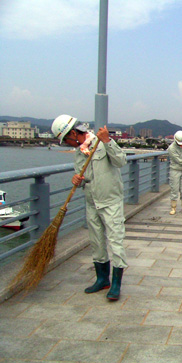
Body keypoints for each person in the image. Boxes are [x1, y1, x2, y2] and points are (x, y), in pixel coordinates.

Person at [51, 114, 128, 301]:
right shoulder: (80, 153)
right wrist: (77, 179)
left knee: (115, 241)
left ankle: (116, 284)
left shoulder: (102, 143)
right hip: (92, 202)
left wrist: (108, 141)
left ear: (74, 133)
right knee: (97, 242)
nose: (67, 144)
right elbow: (84, 177)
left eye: (66, 140)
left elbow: (121, 161)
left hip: (110, 201)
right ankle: (102, 279)